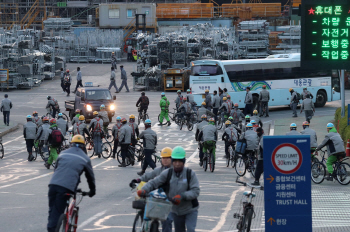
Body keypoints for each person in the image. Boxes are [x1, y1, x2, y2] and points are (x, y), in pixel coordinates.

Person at [138, 146, 200, 232]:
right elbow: (154, 182)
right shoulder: (167, 173)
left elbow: (195, 191)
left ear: (184, 161)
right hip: (176, 210)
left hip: (190, 209)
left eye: (180, 161)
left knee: (190, 229)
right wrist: (144, 189)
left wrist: (182, 196)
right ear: (173, 161)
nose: (177, 164)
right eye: (175, 161)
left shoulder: (190, 174)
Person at [47, 135, 95, 232]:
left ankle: (52, 227)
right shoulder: (85, 158)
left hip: (53, 185)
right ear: (83, 146)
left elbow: (57, 169)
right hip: (67, 187)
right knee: (58, 212)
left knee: (53, 211)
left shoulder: (63, 154)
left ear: (71, 144)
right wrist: (92, 191)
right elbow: (90, 177)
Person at [130, 147, 174, 232]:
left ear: (172, 159)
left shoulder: (174, 171)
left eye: (167, 158)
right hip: (156, 197)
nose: (165, 160)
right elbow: (148, 176)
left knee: (167, 220)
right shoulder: (159, 170)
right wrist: (137, 180)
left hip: (168, 200)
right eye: (163, 158)